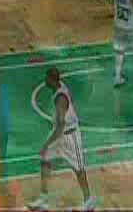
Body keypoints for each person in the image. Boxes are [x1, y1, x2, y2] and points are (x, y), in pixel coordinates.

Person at [28, 67, 96, 212]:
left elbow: (60, 125)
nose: (45, 81)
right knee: (45, 159)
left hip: (70, 137)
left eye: (47, 78)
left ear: (52, 80)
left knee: (79, 169)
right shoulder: (59, 86)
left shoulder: (60, 99)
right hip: (60, 133)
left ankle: (89, 201)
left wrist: (47, 144)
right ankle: (43, 200)